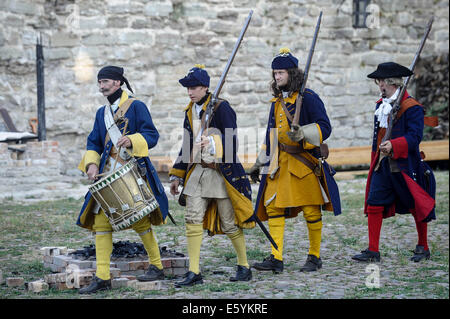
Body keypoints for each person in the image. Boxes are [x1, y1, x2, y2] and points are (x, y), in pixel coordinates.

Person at [76, 66, 170, 293]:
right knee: (100, 223)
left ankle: (156, 266)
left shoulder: (136, 106)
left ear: (118, 83)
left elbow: (152, 136)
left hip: (131, 172)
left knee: (139, 221)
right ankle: (103, 276)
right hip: (108, 173)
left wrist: (132, 141)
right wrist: (91, 164)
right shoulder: (102, 113)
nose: (101, 86)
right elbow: (94, 142)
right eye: (99, 82)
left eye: (105, 81)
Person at [248, 48, 341, 273]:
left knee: (311, 210)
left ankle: (314, 256)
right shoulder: (277, 102)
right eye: (275, 73)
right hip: (279, 164)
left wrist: (303, 134)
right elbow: (271, 135)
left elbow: (325, 127)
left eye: (280, 73)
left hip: (303, 163)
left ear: (292, 73)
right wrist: (260, 162)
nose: (276, 77)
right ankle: (276, 257)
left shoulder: (309, 98)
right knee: (273, 209)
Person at [169, 64, 255, 287]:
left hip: (221, 174)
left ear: (205, 88)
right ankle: (194, 271)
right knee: (192, 219)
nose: (190, 92)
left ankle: (244, 266)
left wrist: (214, 142)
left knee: (229, 224)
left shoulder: (222, 108)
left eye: (194, 87)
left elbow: (232, 141)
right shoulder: (190, 111)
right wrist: (176, 175)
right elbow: (187, 145)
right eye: (188, 87)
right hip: (197, 173)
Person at [352, 62, 436, 263]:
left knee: (416, 205)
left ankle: (423, 246)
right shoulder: (380, 105)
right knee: (374, 203)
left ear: (389, 82)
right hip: (382, 164)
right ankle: (373, 250)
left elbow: (415, 137)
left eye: (380, 81)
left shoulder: (412, 107)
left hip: (404, 165)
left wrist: (394, 145)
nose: (378, 84)